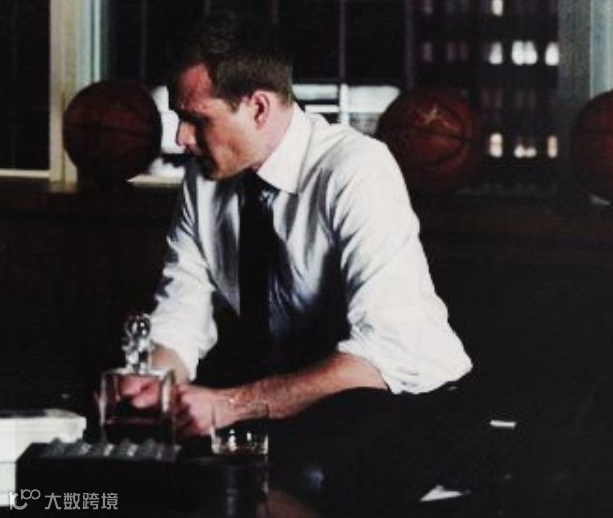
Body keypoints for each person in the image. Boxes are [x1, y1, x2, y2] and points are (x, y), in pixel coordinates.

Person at [126, 10, 474, 513]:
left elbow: (383, 352)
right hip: (286, 400)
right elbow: (181, 314)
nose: (182, 138)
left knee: (293, 474)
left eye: (198, 119)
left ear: (258, 107)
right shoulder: (204, 179)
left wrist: (227, 405)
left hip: (401, 398)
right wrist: (154, 386)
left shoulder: (356, 169)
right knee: (159, 471)